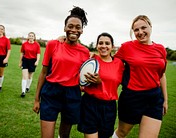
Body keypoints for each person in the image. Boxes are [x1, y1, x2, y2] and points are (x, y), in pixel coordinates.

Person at [32, 6, 89, 138]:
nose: (74, 30)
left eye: (77, 27)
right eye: (70, 26)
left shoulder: (85, 52)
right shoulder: (53, 44)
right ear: (64, 28)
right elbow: (43, 72)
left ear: (82, 30)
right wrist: (36, 99)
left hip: (72, 95)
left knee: (64, 136)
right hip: (51, 92)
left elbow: (84, 76)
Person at [112, 15, 168, 138]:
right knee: (121, 133)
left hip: (154, 98)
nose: (140, 32)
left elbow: (162, 75)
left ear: (150, 27)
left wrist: (165, 99)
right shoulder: (127, 47)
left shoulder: (161, 49)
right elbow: (110, 63)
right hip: (132, 97)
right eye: (136, 30)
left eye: (144, 28)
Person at [77, 32, 124, 138]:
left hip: (109, 107)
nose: (103, 46)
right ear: (96, 45)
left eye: (107, 43)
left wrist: (100, 82)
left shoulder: (119, 64)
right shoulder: (91, 60)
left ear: (112, 46)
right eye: (100, 43)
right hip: (90, 104)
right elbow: (81, 83)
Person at [19, 32, 41, 97]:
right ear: (28, 37)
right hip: (25, 60)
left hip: (33, 61)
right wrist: (20, 62)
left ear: (34, 37)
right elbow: (22, 53)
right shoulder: (24, 44)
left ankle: (27, 87)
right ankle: (23, 91)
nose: (31, 37)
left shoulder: (37, 45)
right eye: (30, 36)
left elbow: (38, 54)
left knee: (29, 76)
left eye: (32, 36)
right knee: (24, 76)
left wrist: (37, 61)